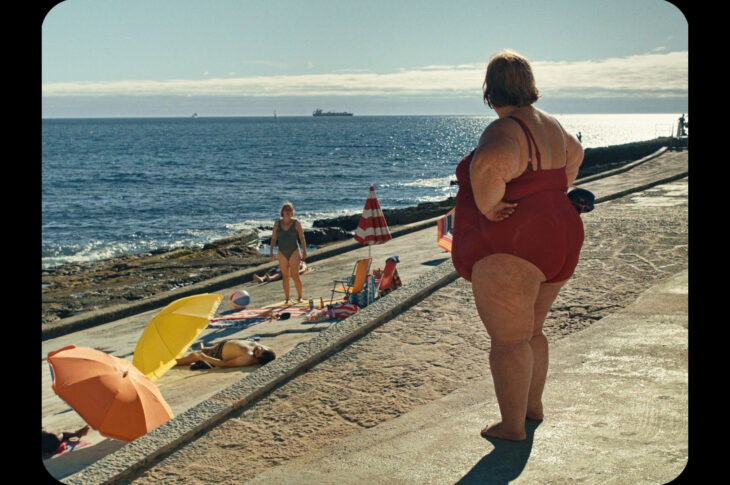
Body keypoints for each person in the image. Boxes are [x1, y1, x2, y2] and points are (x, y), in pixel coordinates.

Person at [451, 49, 585, 441]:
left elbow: (491, 164)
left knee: (509, 341)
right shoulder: (552, 125)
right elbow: (574, 158)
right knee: (532, 332)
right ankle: (532, 407)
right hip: (559, 237)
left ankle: (512, 427)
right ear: (530, 86)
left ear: (490, 92)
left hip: (514, 244)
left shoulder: (505, 129)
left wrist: (490, 206)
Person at [269, 202, 308, 303]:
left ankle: (300, 297)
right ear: (282, 212)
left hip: (294, 250)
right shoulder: (277, 223)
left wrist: (304, 251)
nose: (288, 211)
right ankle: (287, 298)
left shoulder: (296, 223)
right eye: (286, 209)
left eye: (290, 209)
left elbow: (302, 238)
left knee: (295, 275)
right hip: (282, 252)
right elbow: (273, 238)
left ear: (292, 212)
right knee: (285, 276)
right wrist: (271, 252)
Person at [175, 340, 276, 368]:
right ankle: (202, 352)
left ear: (257, 359)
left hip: (217, 355)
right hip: (219, 347)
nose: (258, 348)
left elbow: (225, 364)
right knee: (204, 350)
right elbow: (272, 355)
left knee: (193, 356)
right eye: (261, 348)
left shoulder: (247, 357)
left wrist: (206, 358)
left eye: (258, 352)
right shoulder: (267, 351)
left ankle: (173, 363)